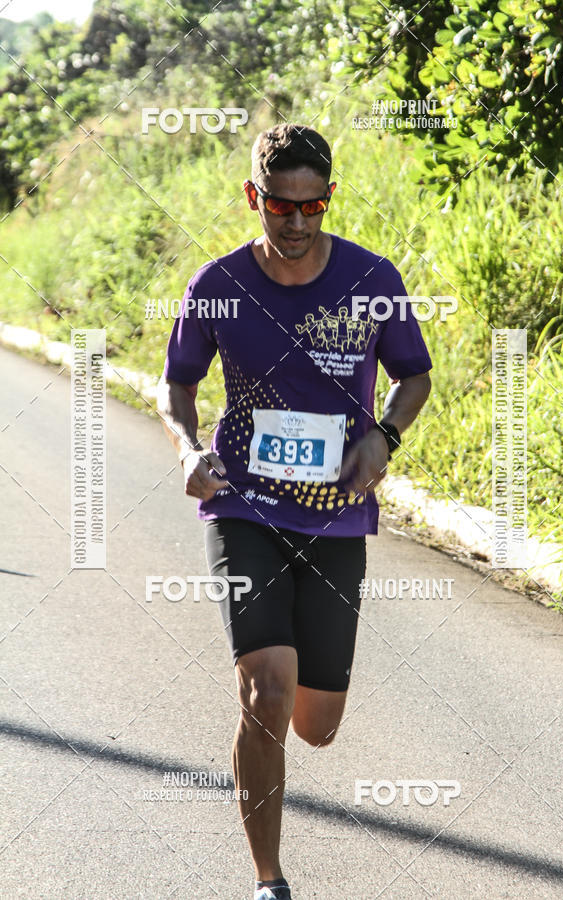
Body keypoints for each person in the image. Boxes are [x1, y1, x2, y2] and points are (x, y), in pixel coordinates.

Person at [157, 123, 432, 900]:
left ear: (329, 198)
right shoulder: (217, 284)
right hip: (244, 507)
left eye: (314, 206)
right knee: (266, 692)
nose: (298, 222)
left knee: (317, 724)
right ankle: (268, 881)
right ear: (255, 197)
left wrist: (383, 436)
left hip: (336, 515)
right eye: (282, 205)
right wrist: (187, 450)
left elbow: (413, 376)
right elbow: (176, 384)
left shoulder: (372, 278)